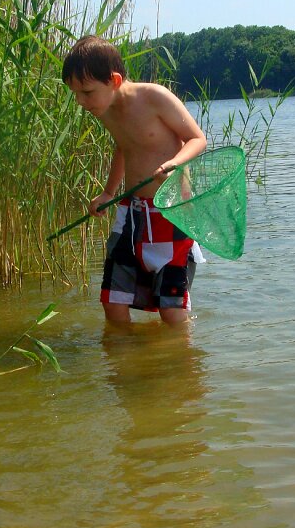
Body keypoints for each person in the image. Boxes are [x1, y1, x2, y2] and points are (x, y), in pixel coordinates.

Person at [62, 35, 207, 325]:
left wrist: (174, 163)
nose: (80, 101)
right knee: (113, 300)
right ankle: (121, 367)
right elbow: (123, 148)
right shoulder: (105, 109)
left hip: (172, 212)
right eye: (75, 94)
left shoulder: (154, 97)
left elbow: (197, 139)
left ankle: (183, 366)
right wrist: (107, 192)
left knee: (171, 310)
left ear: (114, 80)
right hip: (132, 212)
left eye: (87, 92)